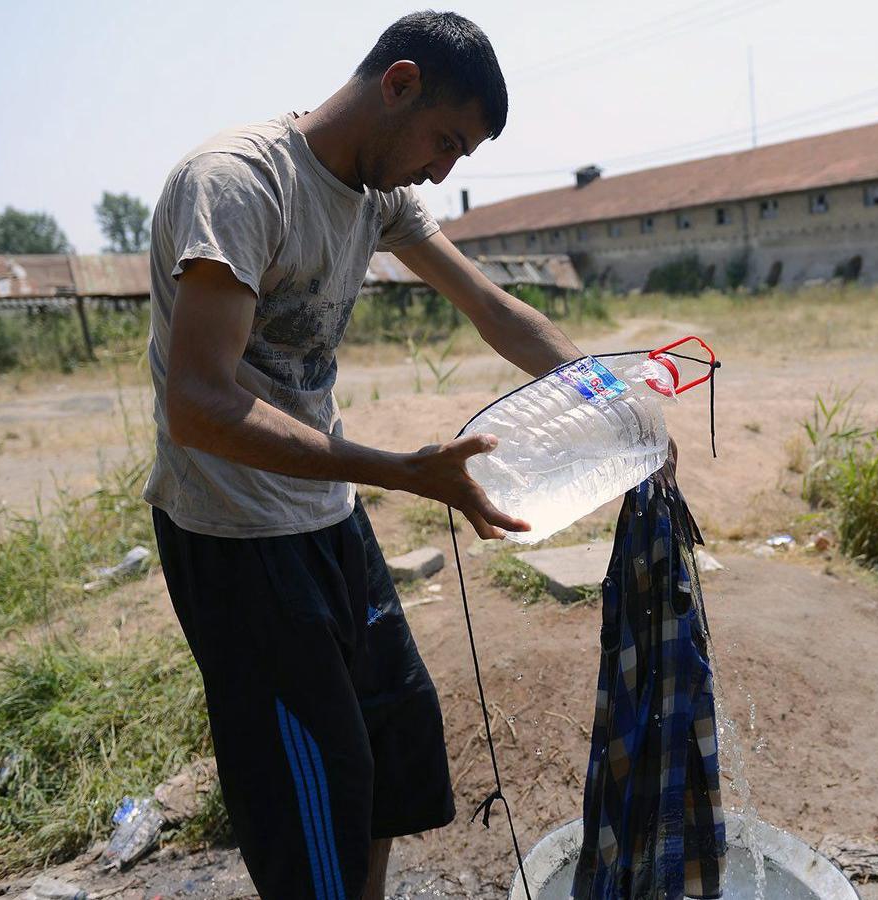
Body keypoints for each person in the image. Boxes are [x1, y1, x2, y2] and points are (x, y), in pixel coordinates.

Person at [142, 12, 649, 899]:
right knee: (314, 796)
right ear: (399, 83)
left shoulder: (380, 196)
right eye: (444, 142)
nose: (444, 171)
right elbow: (198, 406)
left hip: (323, 513)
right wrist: (403, 472)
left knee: (395, 737)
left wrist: (620, 407)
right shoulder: (240, 183)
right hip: (234, 536)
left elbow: (494, 310)